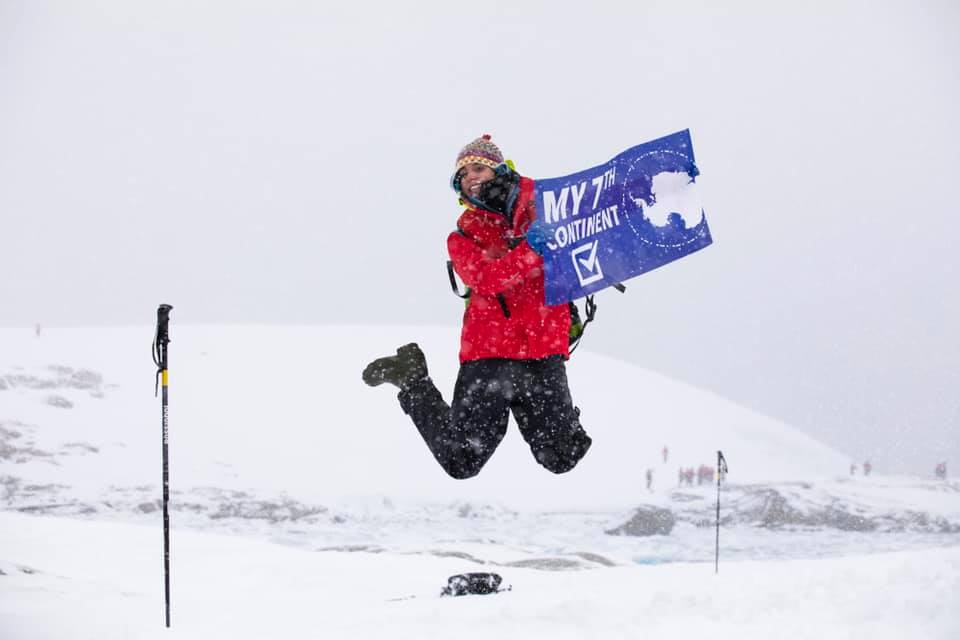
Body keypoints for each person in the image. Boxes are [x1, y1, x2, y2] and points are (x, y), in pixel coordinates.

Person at [362, 134, 593, 479]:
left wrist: (668, 186)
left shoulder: (544, 208)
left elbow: (596, 214)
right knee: (461, 460)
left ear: (500, 170)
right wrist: (530, 250)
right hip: (490, 359)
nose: (471, 176)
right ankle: (413, 379)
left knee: (562, 455)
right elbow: (487, 279)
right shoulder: (462, 237)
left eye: (479, 168)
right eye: (463, 174)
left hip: (543, 356)